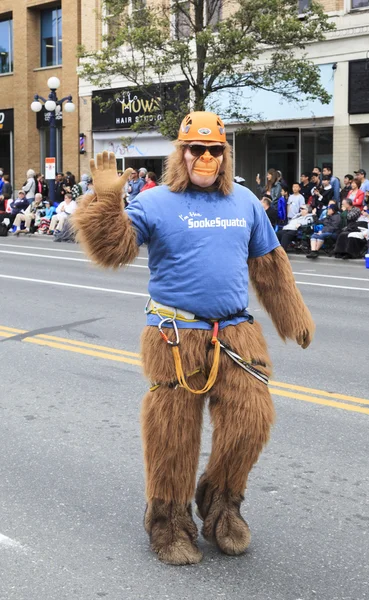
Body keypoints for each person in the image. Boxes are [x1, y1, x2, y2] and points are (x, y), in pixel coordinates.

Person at [73, 111, 314, 566]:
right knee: (173, 432)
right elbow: (113, 250)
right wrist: (106, 201)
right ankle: (167, 520)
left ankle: (222, 504)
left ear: (225, 156)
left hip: (235, 331)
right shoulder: (155, 201)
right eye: (196, 149)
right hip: (174, 334)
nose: (205, 157)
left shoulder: (244, 202)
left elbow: (269, 265)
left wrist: (293, 317)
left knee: (252, 420)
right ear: (180, 154)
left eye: (214, 150)